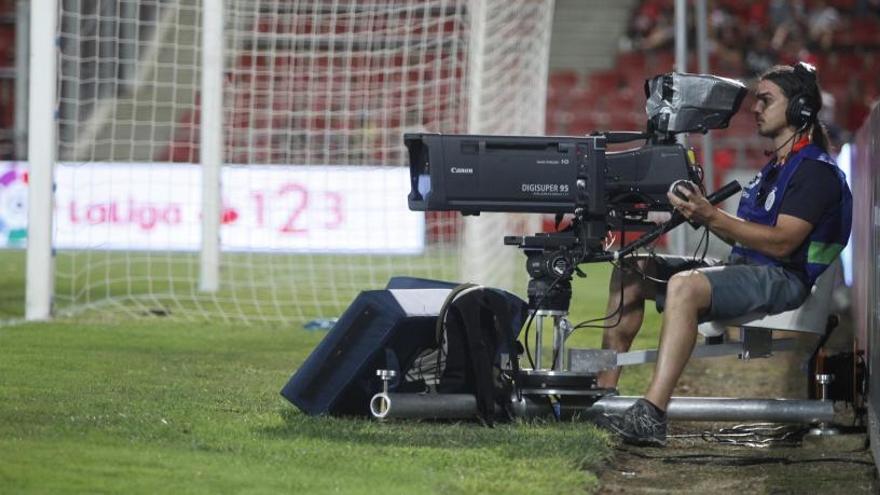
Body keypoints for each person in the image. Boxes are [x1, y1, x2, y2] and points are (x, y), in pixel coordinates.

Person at [594, 62, 853, 447]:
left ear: (800, 109)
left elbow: (782, 243)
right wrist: (701, 214)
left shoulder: (814, 172)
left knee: (685, 287)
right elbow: (748, 236)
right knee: (634, 267)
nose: (755, 108)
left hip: (784, 277)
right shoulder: (778, 167)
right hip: (750, 267)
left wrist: (711, 215)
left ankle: (652, 413)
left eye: (766, 100)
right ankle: (604, 397)